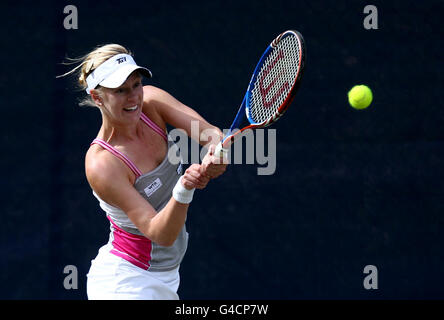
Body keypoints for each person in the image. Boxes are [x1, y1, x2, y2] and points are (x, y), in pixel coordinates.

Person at [59, 44, 227, 299]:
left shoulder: (153, 102)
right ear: (97, 97)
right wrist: (184, 188)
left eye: (136, 84)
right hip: (126, 282)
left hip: (167, 276)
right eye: (121, 91)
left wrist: (218, 154)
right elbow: (161, 233)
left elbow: (211, 134)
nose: (134, 97)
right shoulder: (102, 163)